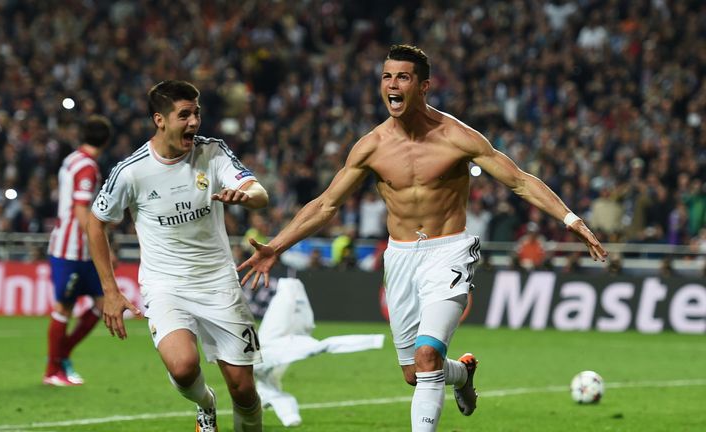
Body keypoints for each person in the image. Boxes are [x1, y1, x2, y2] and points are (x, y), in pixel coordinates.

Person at [239, 45, 607, 432]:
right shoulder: (372, 146)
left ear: (424, 85)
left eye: (402, 77)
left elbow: (518, 181)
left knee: (428, 355)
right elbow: (327, 204)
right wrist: (277, 246)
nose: (392, 85)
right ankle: (462, 376)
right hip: (399, 258)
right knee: (415, 373)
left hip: (448, 252)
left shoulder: (457, 137)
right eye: (386, 77)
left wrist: (570, 219)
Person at [86, 80, 268, 432]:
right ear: (160, 119)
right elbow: (96, 224)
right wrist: (110, 291)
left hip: (217, 282)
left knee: (244, 390)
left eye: (196, 113)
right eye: (184, 115)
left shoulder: (212, 153)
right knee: (183, 366)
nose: (194, 122)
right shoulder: (131, 171)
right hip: (164, 284)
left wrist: (247, 196)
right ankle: (206, 404)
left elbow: (258, 191)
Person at [43, 115, 113, 386]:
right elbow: (81, 209)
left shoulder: (71, 160)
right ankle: (52, 370)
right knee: (64, 306)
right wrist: (100, 244)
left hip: (78, 249)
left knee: (101, 304)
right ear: (106, 140)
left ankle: (62, 355)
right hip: (71, 250)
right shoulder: (87, 168)